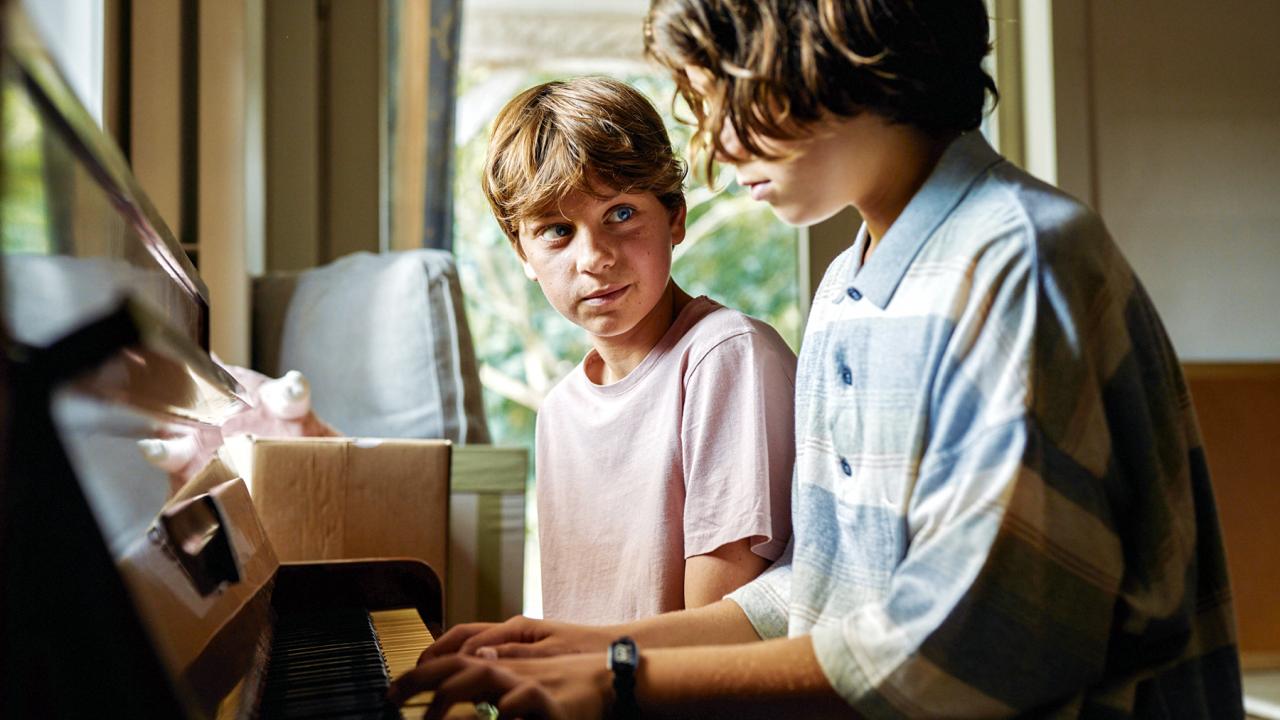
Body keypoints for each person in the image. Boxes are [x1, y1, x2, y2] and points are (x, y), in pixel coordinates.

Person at [389, 1, 1244, 717]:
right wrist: (585, 642)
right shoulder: (848, 284)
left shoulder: (1018, 259)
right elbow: (822, 596)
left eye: (722, 91)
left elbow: (970, 654)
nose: (715, 142)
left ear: (831, 51)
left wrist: (621, 677)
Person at [481, 77, 796, 624]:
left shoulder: (724, 356)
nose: (594, 257)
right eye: (556, 231)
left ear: (675, 217)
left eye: (621, 214)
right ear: (523, 255)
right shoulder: (559, 411)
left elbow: (712, 648)